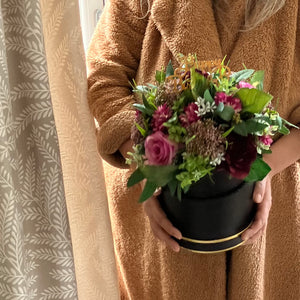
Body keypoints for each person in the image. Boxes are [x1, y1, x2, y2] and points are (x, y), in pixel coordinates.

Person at [87, 0, 300, 299]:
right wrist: (147, 163)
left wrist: (263, 169)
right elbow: (105, 76)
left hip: (271, 227)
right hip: (158, 226)